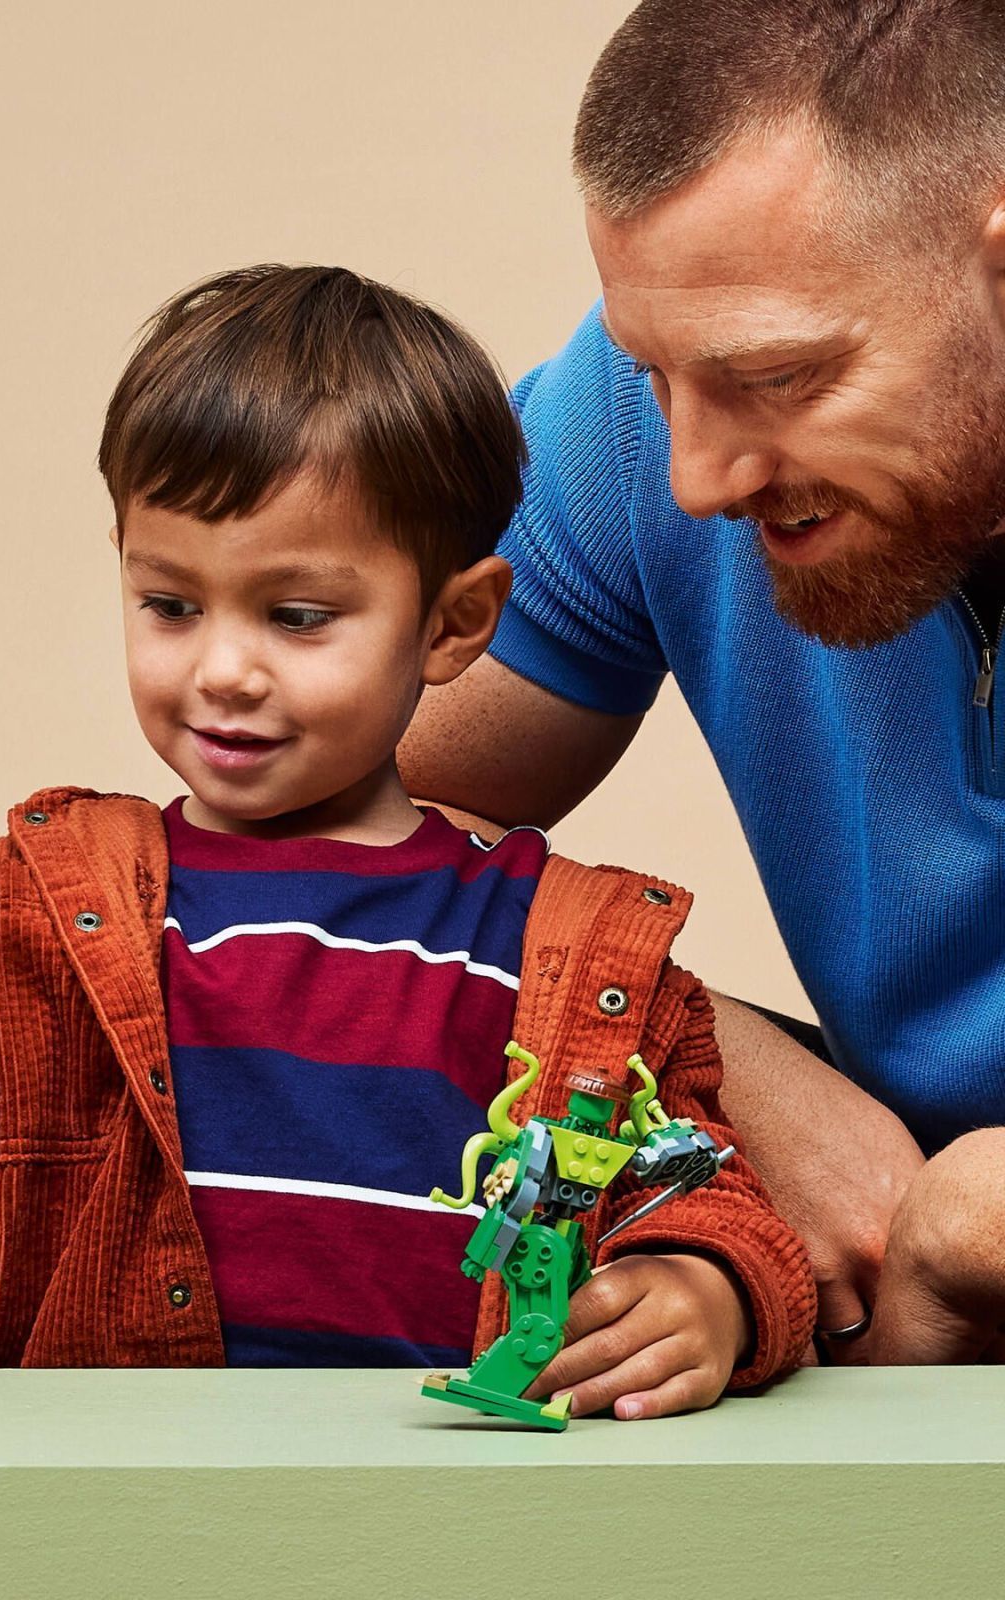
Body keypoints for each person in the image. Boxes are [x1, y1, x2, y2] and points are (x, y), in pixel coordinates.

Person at [0, 265, 812, 1438]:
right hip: (103, 1534)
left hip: (447, 1547)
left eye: (298, 615)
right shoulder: (27, 916)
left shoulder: (573, 957)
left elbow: (703, 1186)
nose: (222, 669)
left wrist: (704, 1289)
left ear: (455, 625)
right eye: (170, 604)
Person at [398, 0, 1005, 1368]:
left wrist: (965, 1217)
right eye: (655, 372)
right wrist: (700, 1056)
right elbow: (328, 838)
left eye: (779, 377)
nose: (695, 479)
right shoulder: (637, 414)